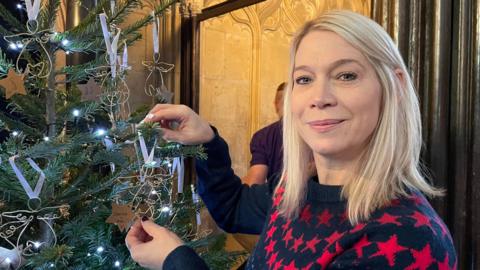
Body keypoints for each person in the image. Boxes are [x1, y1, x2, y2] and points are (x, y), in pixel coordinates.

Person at [126, 10, 457, 269]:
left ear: (394, 87)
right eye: (304, 78)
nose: (319, 96)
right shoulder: (295, 190)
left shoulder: (405, 239)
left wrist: (176, 260)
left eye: (346, 75)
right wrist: (207, 141)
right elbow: (233, 207)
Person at [243, 82, 285, 186]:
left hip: (275, 198)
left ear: (276, 104)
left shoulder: (262, 136)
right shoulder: (314, 131)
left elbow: (255, 181)